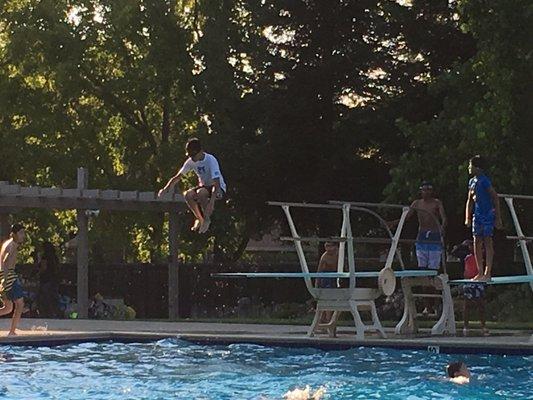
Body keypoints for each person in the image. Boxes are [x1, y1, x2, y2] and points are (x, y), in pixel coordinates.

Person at [158, 137, 226, 234]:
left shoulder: (211, 160)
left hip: (218, 188)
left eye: (194, 155)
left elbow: (217, 182)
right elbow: (177, 177)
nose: (192, 158)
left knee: (201, 193)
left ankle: (207, 219)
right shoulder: (190, 162)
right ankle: (200, 219)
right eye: (190, 155)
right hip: (205, 186)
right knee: (188, 195)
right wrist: (165, 189)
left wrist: (211, 203)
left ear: (201, 151)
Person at [389, 182, 447, 270]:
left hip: (434, 233)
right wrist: (393, 223)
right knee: (421, 259)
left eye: (428, 190)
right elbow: (406, 217)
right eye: (424, 190)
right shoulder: (417, 203)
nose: (426, 192)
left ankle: (433, 277)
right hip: (422, 234)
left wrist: (442, 228)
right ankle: (423, 278)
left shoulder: (437, 203)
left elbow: (444, 218)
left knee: (434, 260)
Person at [465, 155, 502, 281]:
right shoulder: (471, 182)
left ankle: (488, 272)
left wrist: (498, 218)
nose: (469, 168)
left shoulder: (484, 180)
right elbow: (469, 201)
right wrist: (468, 217)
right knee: (476, 241)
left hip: (487, 214)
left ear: (477, 167)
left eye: (471, 166)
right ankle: (479, 272)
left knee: (487, 241)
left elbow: (495, 197)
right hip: (478, 214)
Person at [451, 240, 487, 336]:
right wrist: (462, 244)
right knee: (467, 305)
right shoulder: (465, 255)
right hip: (468, 281)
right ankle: (466, 326)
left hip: (478, 281)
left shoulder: (481, 255)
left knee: (481, 304)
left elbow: (488, 252)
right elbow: (453, 252)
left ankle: (483, 326)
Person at [0, 223, 27, 335]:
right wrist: (5, 281)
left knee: (8, 308)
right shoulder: (12, 245)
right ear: (14, 234)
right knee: (20, 304)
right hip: (8, 276)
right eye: (21, 233)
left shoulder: (8, 243)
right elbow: (6, 261)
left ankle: (13, 330)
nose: (23, 235)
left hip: (4, 274)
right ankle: (12, 331)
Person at [316, 242, 339, 323]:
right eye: (326, 246)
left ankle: (324, 320)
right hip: (326, 280)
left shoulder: (339, 254)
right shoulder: (324, 257)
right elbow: (319, 271)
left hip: (335, 279)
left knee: (333, 300)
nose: (328, 249)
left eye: (330, 246)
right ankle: (327, 320)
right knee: (327, 300)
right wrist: (317, 284)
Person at [37, 242, 60, 318]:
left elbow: (44, 267)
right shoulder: (55, 257)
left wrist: (38, 273)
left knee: (45, 297)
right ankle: (54, 312)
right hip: (54, 279)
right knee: (53, 296)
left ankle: (46, 313)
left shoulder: (45, 256)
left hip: (46, 279)